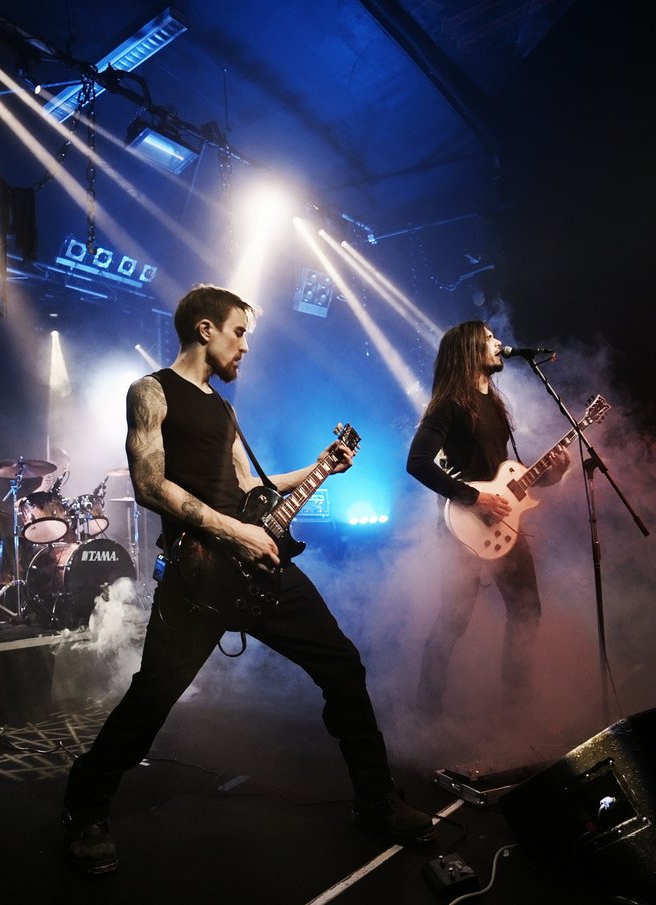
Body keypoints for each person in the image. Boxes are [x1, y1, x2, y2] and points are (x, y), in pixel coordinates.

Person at [62, 284, 436, 876]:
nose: (245, 347)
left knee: (342, 666)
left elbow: (250, 489)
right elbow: (150, 485)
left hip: (258, 566)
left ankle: (376, 799)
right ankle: (84, 806)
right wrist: (234, 532)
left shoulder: (224, 409)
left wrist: (320, 467)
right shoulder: (151, 391)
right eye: (239, 332)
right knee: (152, 697)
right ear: (205, 329)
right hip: (197, 576)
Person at [406, 321, 568, 717]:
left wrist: (554, 474)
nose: (499, 343)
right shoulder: (449, 404)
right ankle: (426, 708)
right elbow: (418, 463)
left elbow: (508, 480)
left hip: (503, 526)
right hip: (463, 528)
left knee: (527, 611)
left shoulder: (494, 404)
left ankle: (517, 704)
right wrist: (474, 498)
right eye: (490, 338)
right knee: (454, 620)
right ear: (469, 350)